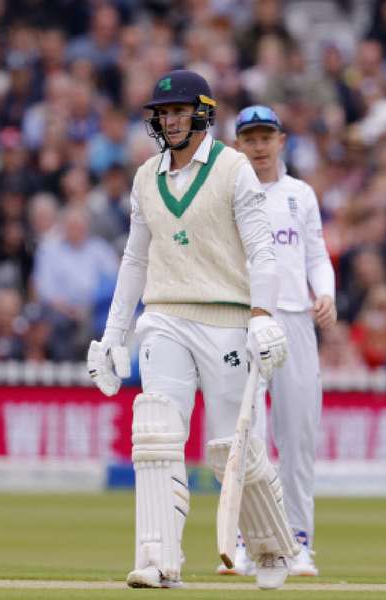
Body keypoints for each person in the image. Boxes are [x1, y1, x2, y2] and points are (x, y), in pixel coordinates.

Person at [86, 70, 296, 590]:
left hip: (227, 318)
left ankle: (271, 547)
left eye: (180, 111)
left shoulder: (234, 169)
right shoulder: (144, 178)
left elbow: (262, 251)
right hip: (164, 317)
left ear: (203, 113)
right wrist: (114, 334)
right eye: (163, 113)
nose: (170, 120)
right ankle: (159, 559)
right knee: (156, 431)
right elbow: (135, 258)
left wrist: (263, 317)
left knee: (231, 449)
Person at [218, 104, 336, 578]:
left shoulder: (300, 195)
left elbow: (316, 255)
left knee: (298, 435)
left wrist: (324, 292)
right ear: (237, 145)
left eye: (267, 137)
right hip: (244, 320)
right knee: (246, 436)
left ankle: (299, 542)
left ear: (281, 141)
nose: (260, 146)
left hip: (294, 320)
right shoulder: (226, 192)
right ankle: (247, 541)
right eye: (251, 138)